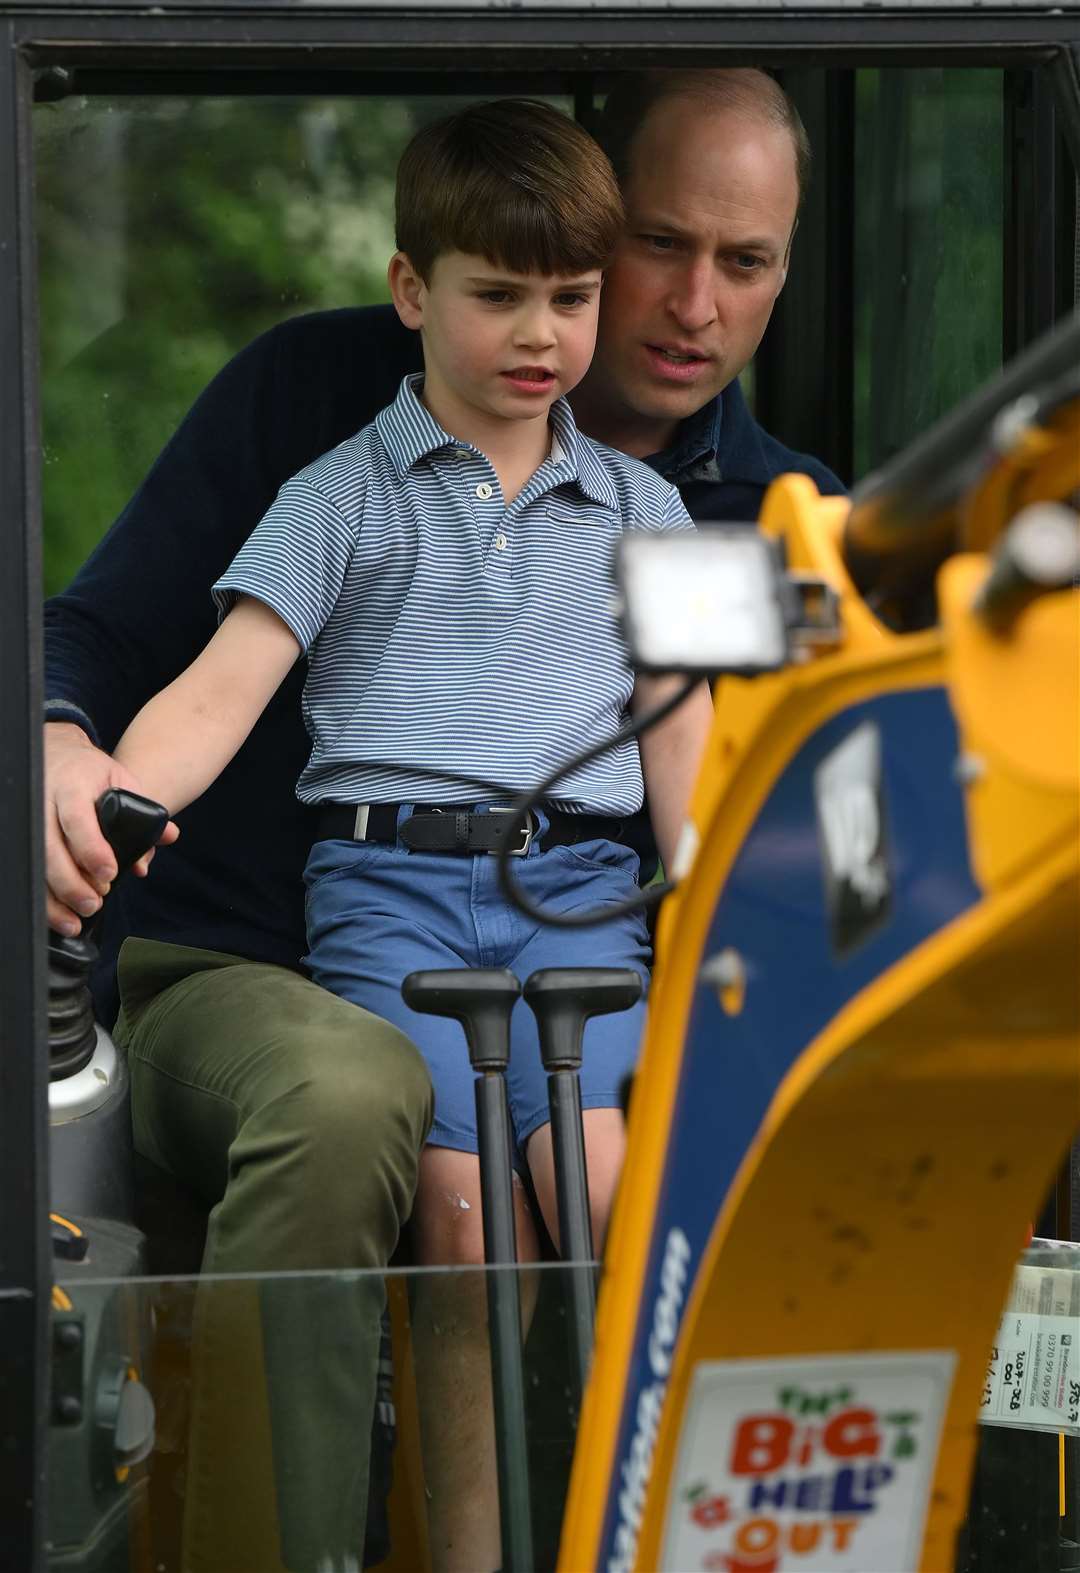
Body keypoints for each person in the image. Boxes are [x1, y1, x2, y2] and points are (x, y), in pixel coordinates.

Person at [43, 68, 843, 1573]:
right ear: (415, 292)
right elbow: (216, 678)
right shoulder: (333, 467)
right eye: (508, 295)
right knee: (461, 1199)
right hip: (390, 898)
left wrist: (741, 906)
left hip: (586, 901)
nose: (551, 333)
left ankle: (638, 1535)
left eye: (575, 296)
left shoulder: (702, 513)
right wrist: (109, 791)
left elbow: (693, 746)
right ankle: (457, 1549)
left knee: (607, 1184)